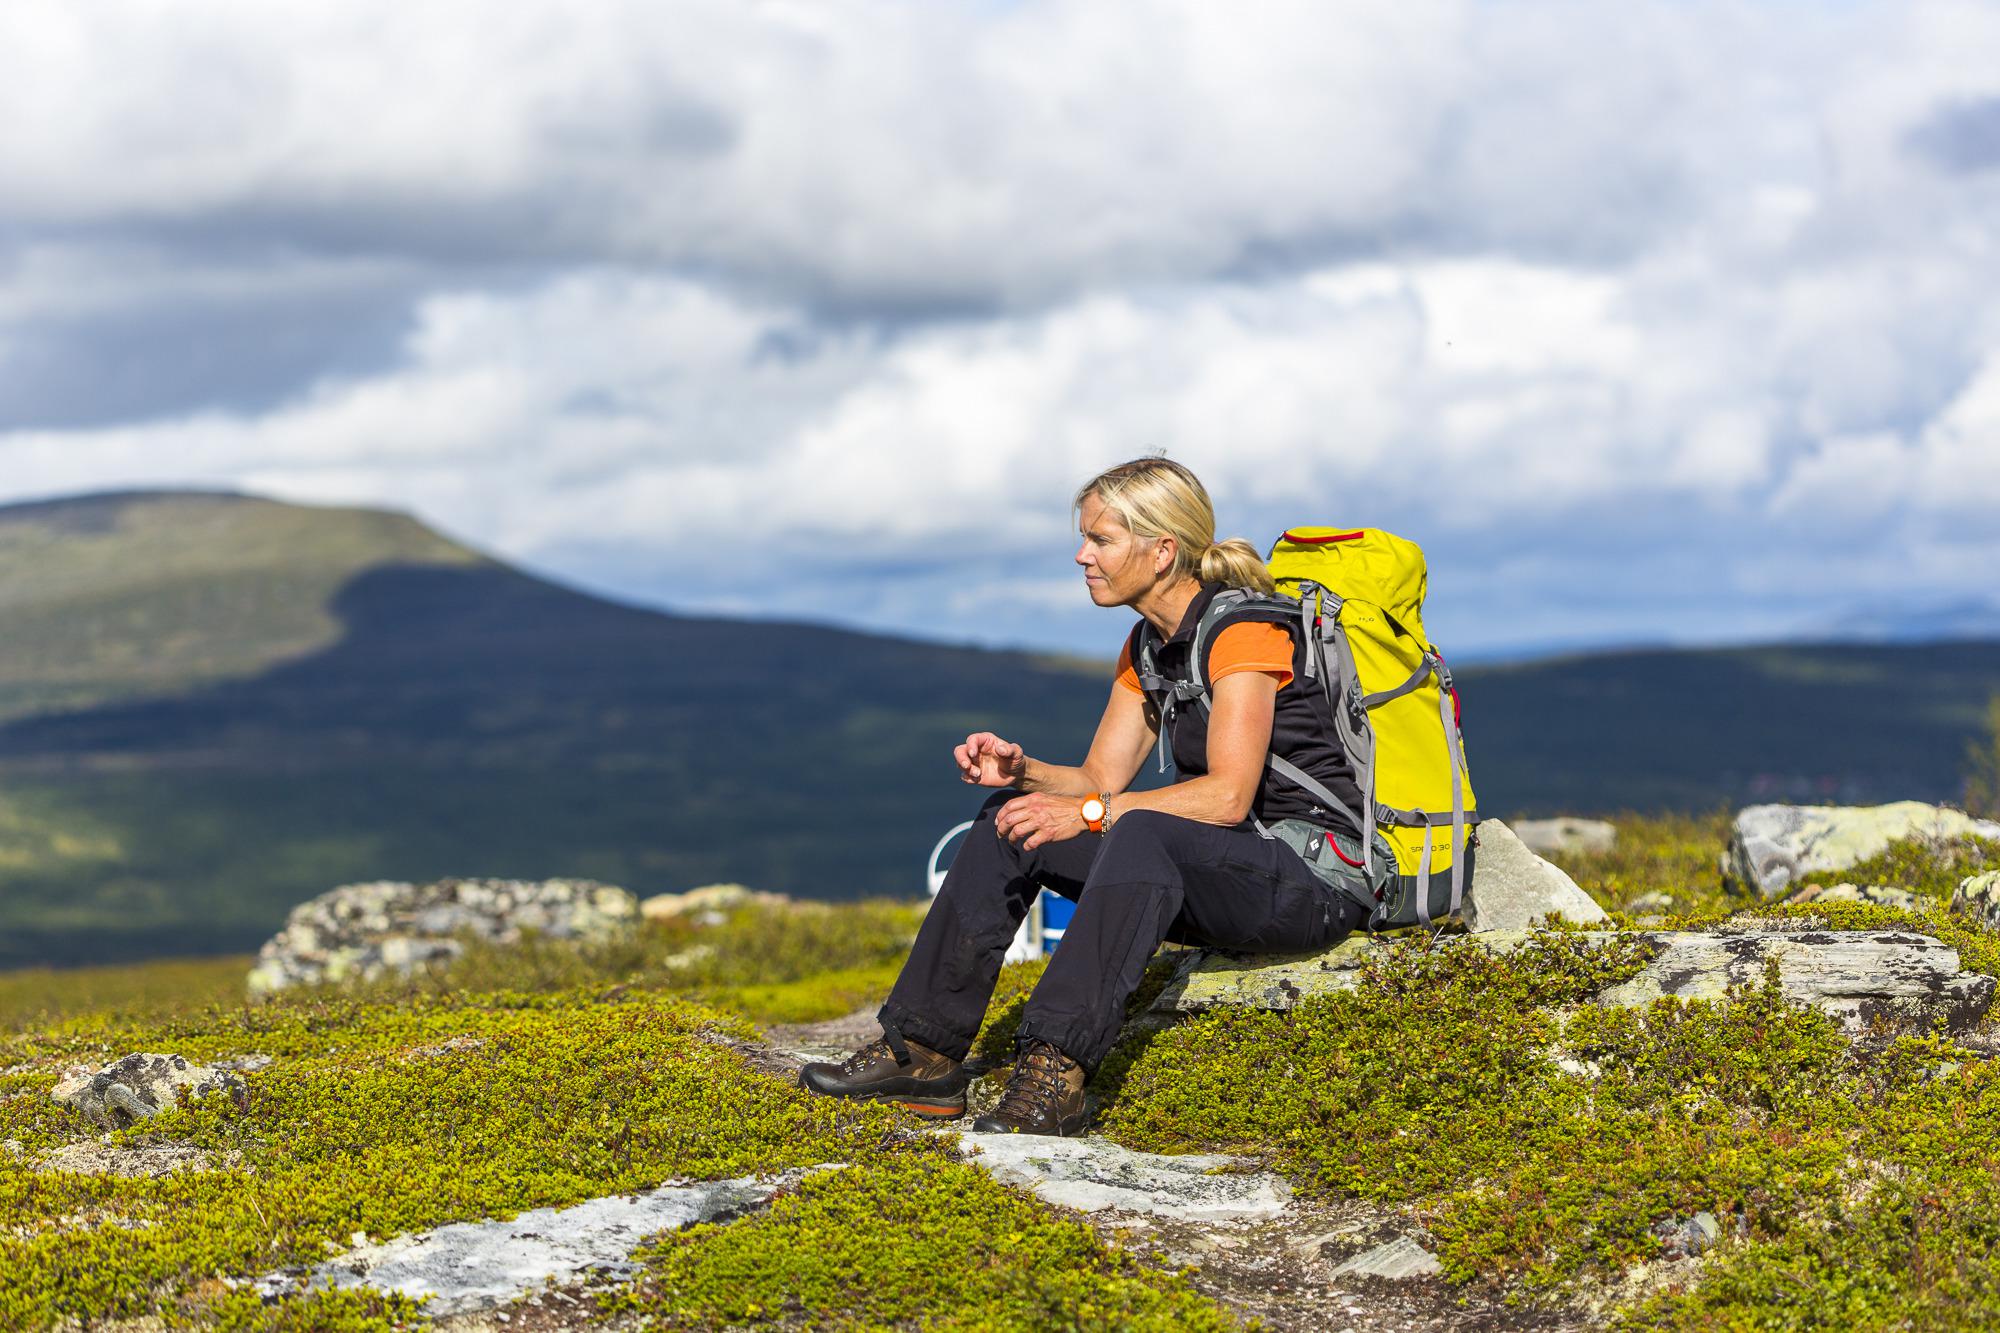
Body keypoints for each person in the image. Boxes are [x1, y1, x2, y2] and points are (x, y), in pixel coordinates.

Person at [799, 457, 1385, 1135]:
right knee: (1009, 825)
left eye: (1101, 540)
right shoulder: (1148, 646)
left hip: (1315, 879)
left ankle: (1056, 1076)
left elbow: (1227, 796)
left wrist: (1089, 811)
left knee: (1138, 830)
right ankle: (921, 1053)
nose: (1083, 555)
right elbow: (1098, 781)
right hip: (1225, 870)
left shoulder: (1244, 633)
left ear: (1162, 551)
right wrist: (1021, 775)